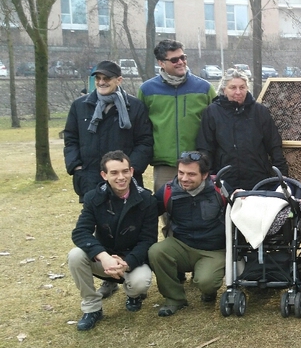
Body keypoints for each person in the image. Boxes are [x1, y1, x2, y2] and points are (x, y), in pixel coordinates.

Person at [68, 151, 157, 331]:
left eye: (125, 171)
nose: (121, 177)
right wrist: (103, 256)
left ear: (132, 171)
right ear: (104, 175)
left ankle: (134, 295)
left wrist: (127, 262)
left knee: (141, 282)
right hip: (104, 258)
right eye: (114, 173)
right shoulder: (93, 197)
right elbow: (80, 232)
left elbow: (148, 240)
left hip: (132, 259)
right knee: (75, 255)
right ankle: (92, 308)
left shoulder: (146, 198)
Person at [148, 151, 227, 317]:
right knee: (156, 251)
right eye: (181, 173)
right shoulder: (168, 190)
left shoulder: (220, 189)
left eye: (191, 174)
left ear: (205, 175)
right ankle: (174, 299)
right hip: (181, 245)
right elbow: (147, 213)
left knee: (206, 282)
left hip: (213, 250)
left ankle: (209, 290)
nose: (184, 178)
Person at [64, 60, 153, 201]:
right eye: (98, 78)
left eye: (106, 78)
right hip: (90, 178)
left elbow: (145, 141)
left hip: (124, 180)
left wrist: (130, 170)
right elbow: (71, 139)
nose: (101, 82)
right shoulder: (79, 106)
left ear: (119, 80)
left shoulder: (135, 107)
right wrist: (76, 167)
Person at [138, 39, 216, 193]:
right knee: (166, 207)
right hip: (165, 165)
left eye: (183, 57)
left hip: (197, 163)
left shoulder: (204, 88)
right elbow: (140, 127)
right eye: (174, 59)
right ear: (161, 63)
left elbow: (217, 122)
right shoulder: (147, 90)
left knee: (199, 210)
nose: (181, 62)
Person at [197, 68, 288, 191]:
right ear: (224, 90)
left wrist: (282, 176)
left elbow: (274, 145)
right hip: (225, 179)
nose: (238, 92)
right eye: (233, 88)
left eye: (242, 87)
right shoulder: (212, 112)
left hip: (257, 177)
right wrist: (210, 177)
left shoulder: (259, 112)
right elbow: (206, 147)